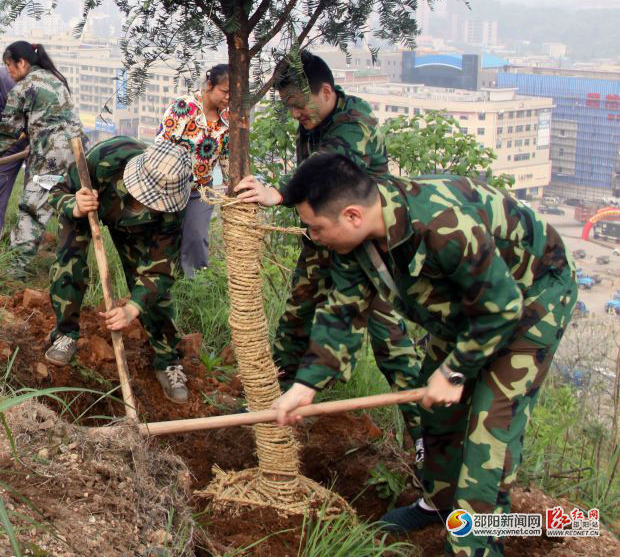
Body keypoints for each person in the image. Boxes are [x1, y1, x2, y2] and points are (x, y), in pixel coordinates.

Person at [272, 153, 577, 557]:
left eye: (315, 228)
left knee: (490, 429)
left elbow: (502, 307)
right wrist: (305, 385)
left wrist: (455, 371)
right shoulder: (354, 242)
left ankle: (476, 545)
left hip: (531, 297)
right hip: (467, 308)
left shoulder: (442, 223)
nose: (312, 236)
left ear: (351, 215)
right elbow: (343, 311)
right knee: (433, 408)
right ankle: (441, 504)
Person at [235, 51, 424, 449]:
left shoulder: (358, 122)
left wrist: (280, 192)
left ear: (325, 91)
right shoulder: (313, 118)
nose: (295, 116)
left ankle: (423, 435)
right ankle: (280, 393)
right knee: (299, 310)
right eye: (287, 107)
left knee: (390, 340)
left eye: (297, 106)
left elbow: (330, 163)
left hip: (368, 244)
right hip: (324, 236)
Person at [46, 137, 193, 404]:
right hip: (89, 207)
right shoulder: (108, 157)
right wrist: (75, 205)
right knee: (69, 263)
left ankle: (167, 361)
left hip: (139, 230)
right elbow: (57, 192)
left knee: (152, 293)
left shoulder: (171, 212)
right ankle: (65, 333)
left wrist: (131, 309)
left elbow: (160, 270)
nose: (152, 203)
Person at [0, 41, 84, 279]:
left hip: (51, 160)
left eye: (9, 65)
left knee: (32, 209)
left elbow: (7, 134)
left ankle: (14, 272)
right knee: (67, 207)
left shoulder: (23, 88)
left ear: (22, 62)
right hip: (77, 158)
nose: (8, 71)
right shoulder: (54, 79)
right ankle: (71, 268)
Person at [157, 64, 229, 277]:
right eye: (224, 92)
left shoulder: (227, 119)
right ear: (209, 85)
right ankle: (162, 282)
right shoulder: (184, 108)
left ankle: (194, 287)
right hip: (170, 187)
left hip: (202, 190)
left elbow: (227, 158)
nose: (228, 98)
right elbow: (162, 145)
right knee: (167, 237)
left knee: (197, 237)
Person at [0, 64, 28, 236]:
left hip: (36, 135)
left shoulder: (8, 79)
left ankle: (27, 243)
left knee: (35, 187)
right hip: (10, 138)